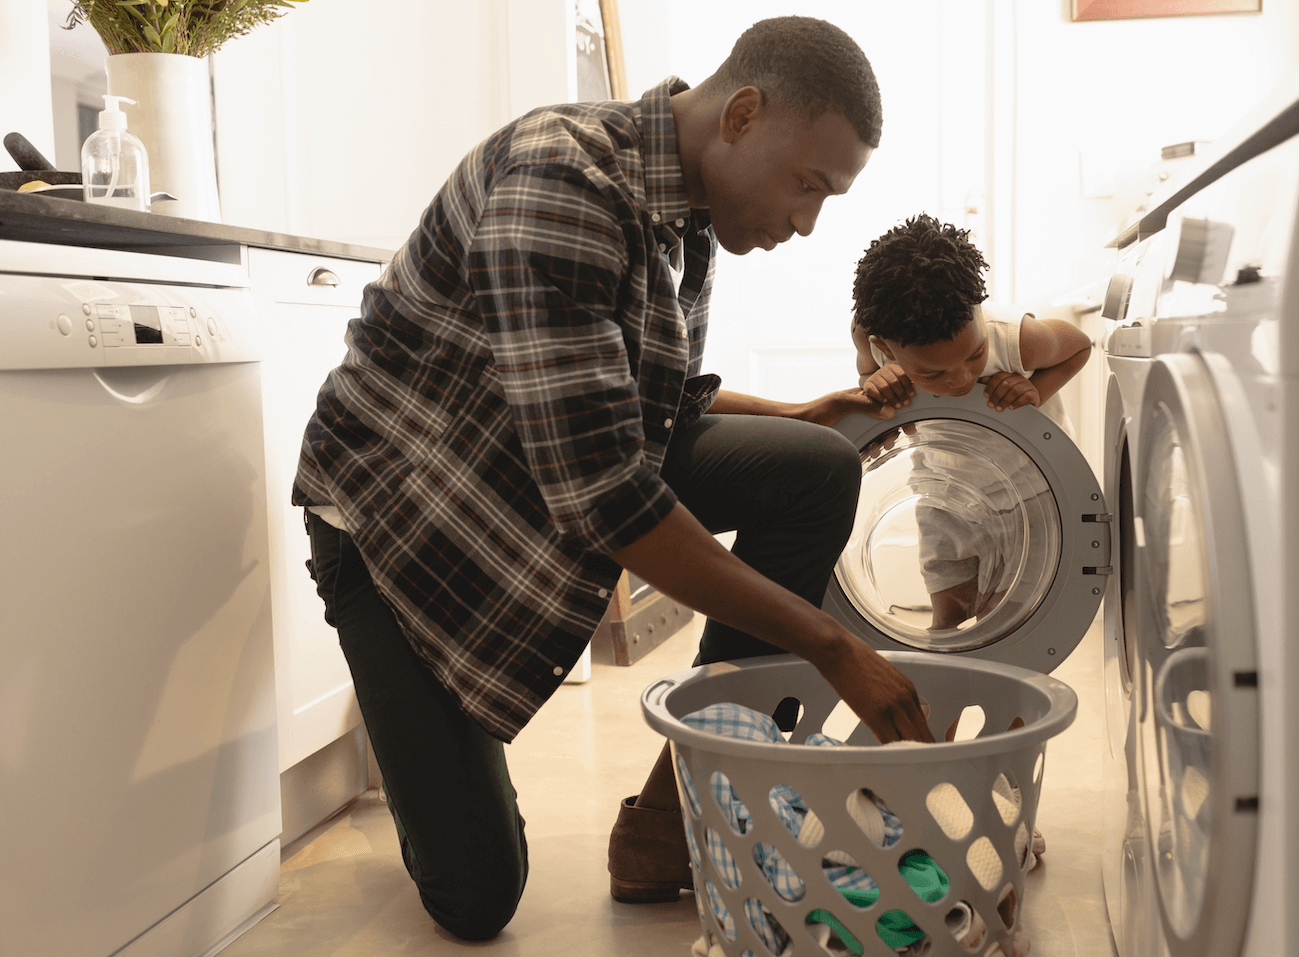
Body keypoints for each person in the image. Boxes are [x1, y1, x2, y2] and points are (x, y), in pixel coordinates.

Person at [293, 16, 934, 942]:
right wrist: (835, 647)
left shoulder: (692, 215)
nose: (806, 223)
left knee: (815, 471)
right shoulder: (563, 182)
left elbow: (652, 410)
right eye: (808, 185)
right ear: (743, 115)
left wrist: (800, 419)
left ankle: (686, 807)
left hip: (529, 475)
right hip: (408, 527)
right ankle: (398, 682)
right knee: (478, 899)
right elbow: (607, 500)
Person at [850, 213, 1092, 630]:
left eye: (973, 356)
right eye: (933, 375)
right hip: (942, 490)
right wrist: (875, 379)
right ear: (882, 346)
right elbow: (866, 376)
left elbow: (1079, 346)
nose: (961, 378)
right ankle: (939, 691)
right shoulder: (871, 339)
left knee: (1003, 619)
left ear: (979, 312)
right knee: (947, 609)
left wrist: (1037, 390)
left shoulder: (1015, 338)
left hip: (1028, 496)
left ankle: (1002, 690)